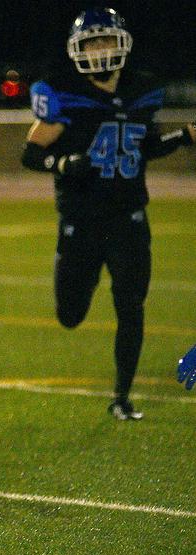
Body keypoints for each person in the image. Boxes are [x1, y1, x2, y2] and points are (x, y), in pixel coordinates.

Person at [20, 7, 196, 420]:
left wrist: (181, 136)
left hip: (130, 217)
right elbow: (31, 153)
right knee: (70, 315)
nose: (99, 50)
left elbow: (144, 145)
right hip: (81, 221)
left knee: (131, 307)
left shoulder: (143, 90)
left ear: (122, 43)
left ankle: (122, 397)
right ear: (77, 49)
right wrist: (62, 165)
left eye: (105, 40)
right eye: (92, 42)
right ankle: (79, 285)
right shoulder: (63, 93)